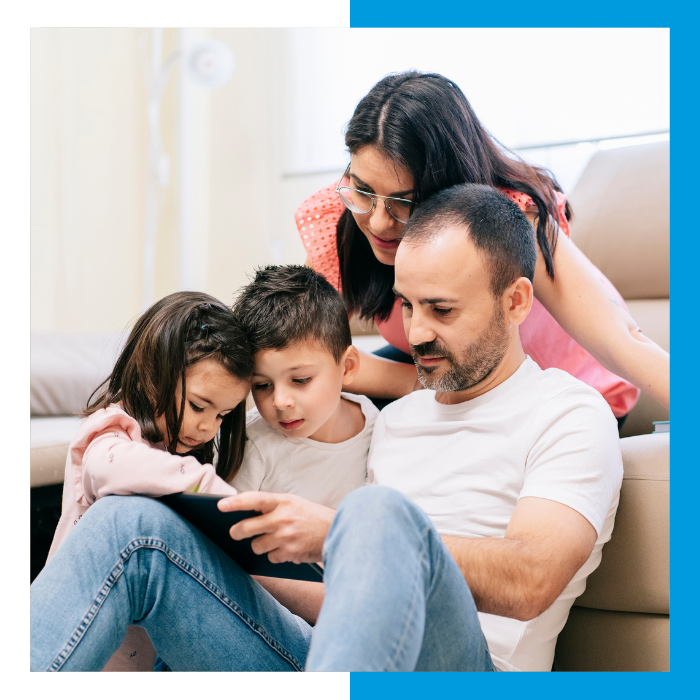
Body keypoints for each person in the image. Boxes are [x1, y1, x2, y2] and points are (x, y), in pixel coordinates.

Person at [30, 185, 622, 672]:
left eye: (441, 310)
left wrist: (336, 534)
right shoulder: (395, 418)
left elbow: (530, 580)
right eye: (407, 307)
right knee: (134, 525)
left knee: (378, 516)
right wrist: (228, 554)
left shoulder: (569, 413)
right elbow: (348, 602)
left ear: (516, 302)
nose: (415, 334)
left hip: (464, 667)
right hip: (329, 653)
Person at [297, 70, 669, 422]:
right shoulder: (346, 212)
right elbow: (302, 343)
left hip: (564, 391)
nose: (378, 222)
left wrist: (377, 377)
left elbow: (625, 342)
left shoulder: (509, 222)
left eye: (404, 202)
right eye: (363, 190)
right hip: (450, 370)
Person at [44, 291, 253, 670]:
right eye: (198, 406)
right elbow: (119, 467)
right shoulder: (108, 436)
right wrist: (209, 488)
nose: (208, 427)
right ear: (154, 373)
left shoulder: (176, 449)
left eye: (223, 415)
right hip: (87, 636)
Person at [231, 264, 378, 508]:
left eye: (300, 380)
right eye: (262, 385)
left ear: (347, 367)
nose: (280, 402)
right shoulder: (252, 444)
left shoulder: (374, 423)